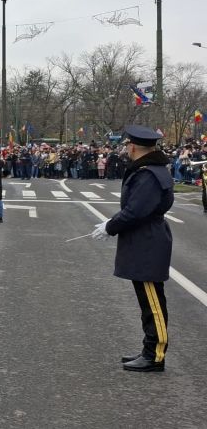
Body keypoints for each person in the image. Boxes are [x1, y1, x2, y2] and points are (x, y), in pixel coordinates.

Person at [90, 125, 174, 372]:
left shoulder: (148, 174)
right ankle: (149, 349)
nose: (126, 148)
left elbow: (136, 211)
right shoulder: (151, 170)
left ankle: (155, 354)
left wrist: (111, 226)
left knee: (152, 303)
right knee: (148, 301)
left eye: (127, 145)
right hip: (145, 238)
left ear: (134, 147)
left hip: (147, 241)